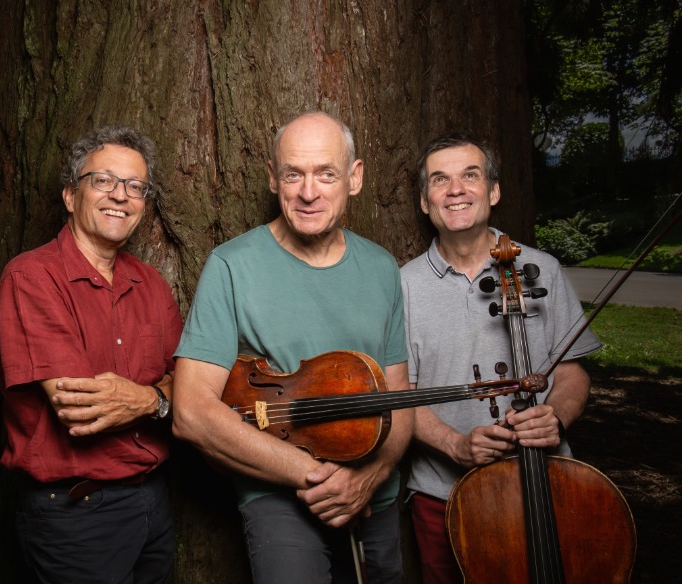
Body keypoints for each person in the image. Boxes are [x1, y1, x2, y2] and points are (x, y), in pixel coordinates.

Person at [172, 111, 412, 583]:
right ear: (272, 177)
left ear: (355, 178)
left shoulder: (382, 267)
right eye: (293, 174)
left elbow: (400, 397)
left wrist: (371, 475)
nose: (308, 192)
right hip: (279, 493)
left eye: (326, 174)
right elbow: (191, 412)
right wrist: (315, 477)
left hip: (375, 494)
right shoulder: (231, 266)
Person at [401, 132, 601, 583]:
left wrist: (555, 418)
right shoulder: (402, 286)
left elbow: (572, 374)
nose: (456, 190)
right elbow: (401, 396)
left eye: (470, 176)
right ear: (425, 201)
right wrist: (455, 444)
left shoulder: (542, 269)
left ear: (493, 191)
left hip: (548, 481)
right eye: (440, 180)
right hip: (443, 493)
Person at [0, 125, 182, 584]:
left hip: (154, 502)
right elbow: (81, 408)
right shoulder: (30, 278)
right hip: (77, 515)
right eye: (103, 180)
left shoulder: (152, 284)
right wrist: (163, 398)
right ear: (69, 195)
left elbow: (194, 387)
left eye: (135, 186)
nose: (120, 195)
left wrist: (146, 399)